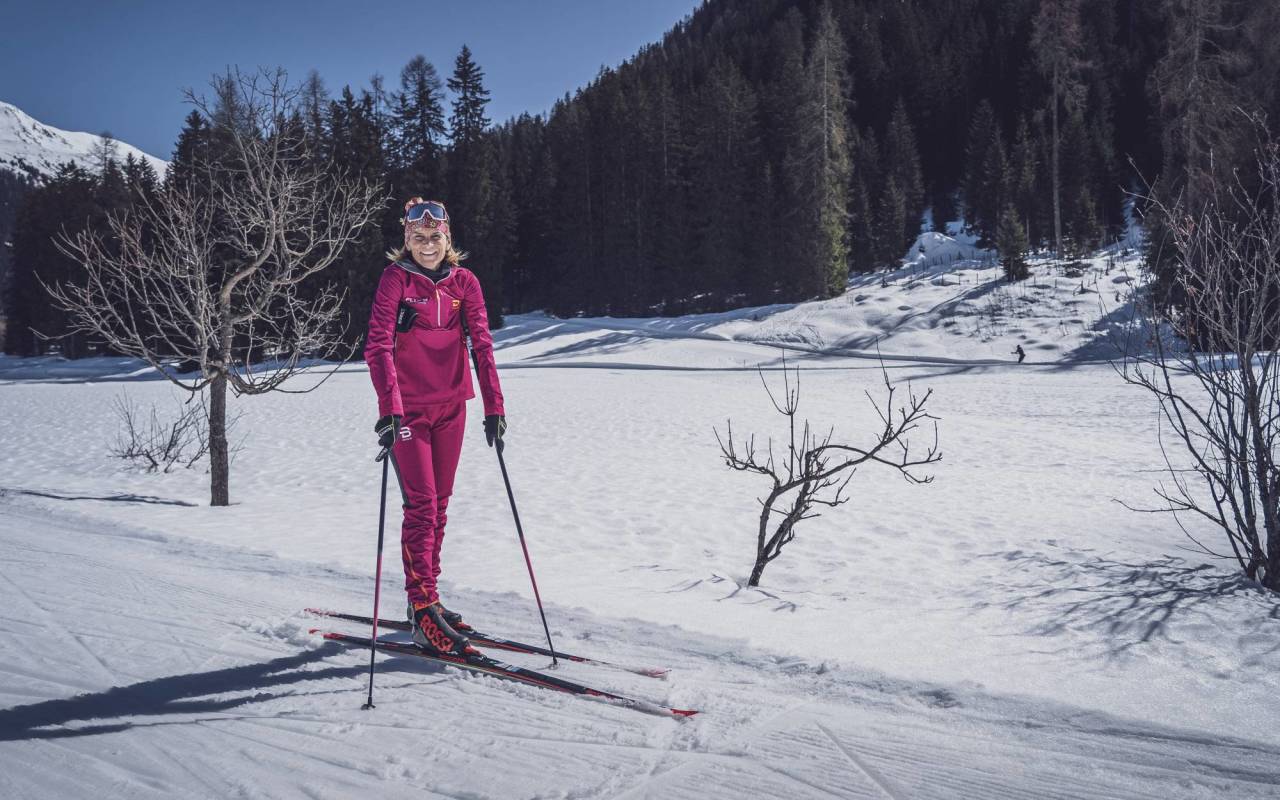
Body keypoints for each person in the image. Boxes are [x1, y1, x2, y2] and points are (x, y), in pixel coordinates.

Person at [364, 197, 506, 656]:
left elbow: (482, 346)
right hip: (408, 412)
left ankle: (428, 598)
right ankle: (423, 611)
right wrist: (389, 408)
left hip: (453, 407)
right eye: (419, 238)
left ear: (449, 239)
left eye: (436, 237)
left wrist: (494, 407)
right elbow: (378, 346)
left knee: (440, 506)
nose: (428, 245)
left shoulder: (465, 282)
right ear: (407, 240)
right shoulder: (395, 279)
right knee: (421, 506)